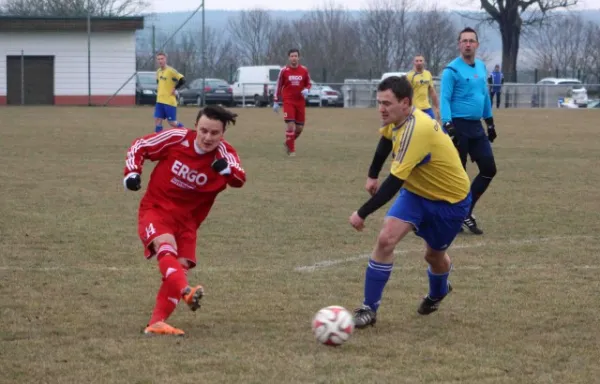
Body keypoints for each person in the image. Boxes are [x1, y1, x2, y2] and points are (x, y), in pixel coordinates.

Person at [349, 76, 471, 328]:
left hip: (449, 201)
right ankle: (368, 309)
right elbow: (385, 140)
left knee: (433, 256)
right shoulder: (397, 119)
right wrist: (372, 174)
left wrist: (362, 212)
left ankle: (438, 292)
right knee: (386, 239)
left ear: (405, 103)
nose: (381, 109)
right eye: (379, 102)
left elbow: (393, 181)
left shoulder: (418, 128)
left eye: (387, 103)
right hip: (415, 194)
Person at [123, 105, 246, 336]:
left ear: (223, 134)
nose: (207, 137)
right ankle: (186, 292)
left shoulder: (225, 155)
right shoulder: (177, 138)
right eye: (203, 130)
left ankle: (157, 323)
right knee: (165, 245)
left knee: (181, 266)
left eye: (214, 133)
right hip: (157, 209)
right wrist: (132, 173)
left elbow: (240, 178)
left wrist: (227, 171)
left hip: (189, 221)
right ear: (195, 127)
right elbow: (140, 146)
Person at [440, 27, 498, 235]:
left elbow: (484, 97)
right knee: (458, 176)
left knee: (489, 169)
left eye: (471, 41)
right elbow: (444, 99)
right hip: (458, 127)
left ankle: (465, 212)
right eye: (464, 40)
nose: (467, 44)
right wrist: (448, 124)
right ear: (459, 44)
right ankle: (441, 216)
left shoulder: (481, 67)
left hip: (475, 127)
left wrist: (489, 122)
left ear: (477, 44)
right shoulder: (451, 70)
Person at [273, 49, 312, 157]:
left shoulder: (304, 70)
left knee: (299, 128)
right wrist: (276, 101)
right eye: (292, 56)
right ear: (289, 58)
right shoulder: (284, 71)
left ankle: (288, 142)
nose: (294, 58)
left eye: (295, 56)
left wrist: (307, 89)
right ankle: (291, 151)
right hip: (288, 101)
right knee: (290, 125)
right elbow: (278, 85)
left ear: (299, 57)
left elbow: (308, 83)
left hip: (300, 102)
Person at [154, 52, 186, 132]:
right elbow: (159, 82)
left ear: (165, 59)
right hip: (160, 100)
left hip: (169, 101)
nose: (160, 61)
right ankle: (159, 140)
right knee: (157, 120)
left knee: (172, 122)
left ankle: (185, 132)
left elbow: (182, 80)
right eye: (158, 59)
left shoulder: (171, 71)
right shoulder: (158, 72)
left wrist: (175, 88)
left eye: (162, 59)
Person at [406, 54, 440, 120]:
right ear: (413, 62)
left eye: (421, 61)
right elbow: (406, 93)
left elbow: (432, 92)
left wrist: (436, 107)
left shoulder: (428, 74)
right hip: (414, 109)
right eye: (417, 61)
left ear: (424, 62)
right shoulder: (409, 76)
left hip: (427, 108)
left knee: (432, 127)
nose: (419, 63)